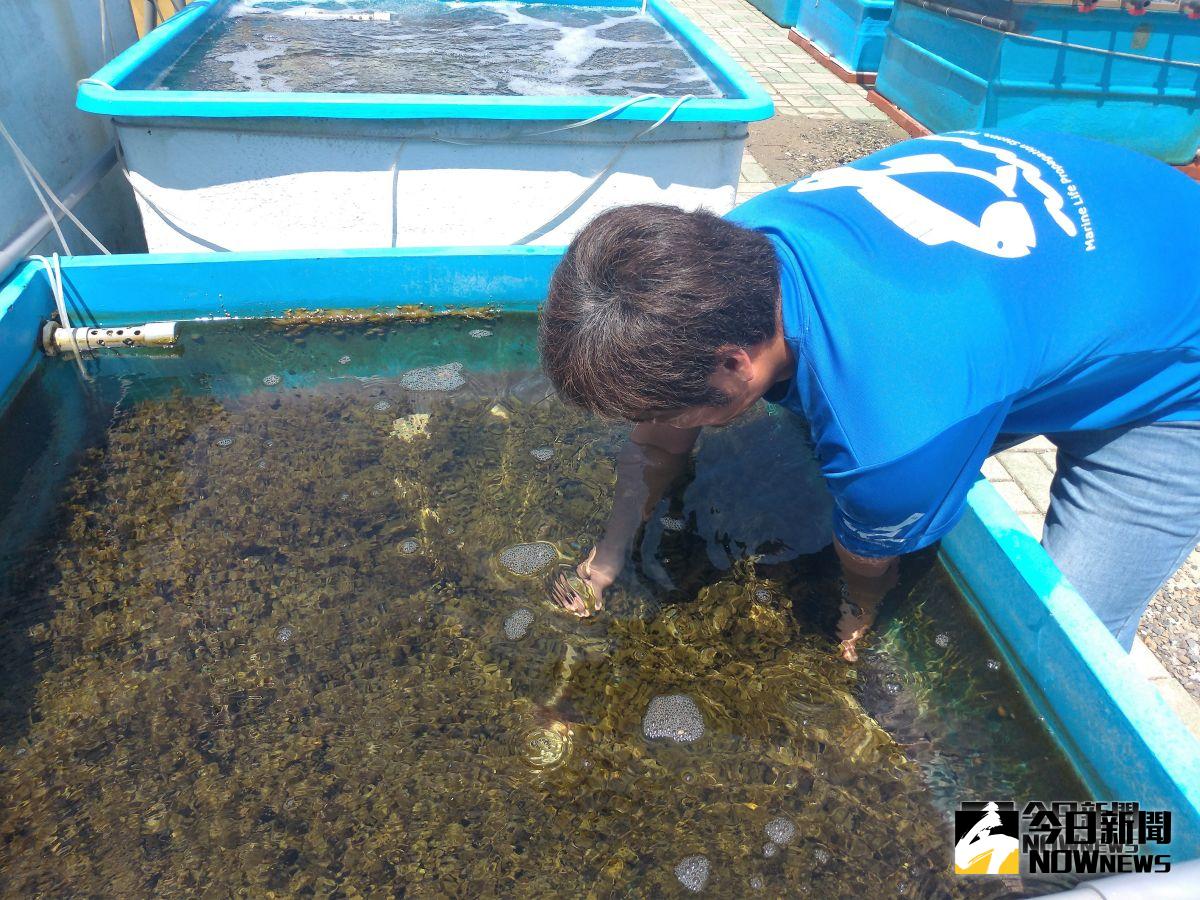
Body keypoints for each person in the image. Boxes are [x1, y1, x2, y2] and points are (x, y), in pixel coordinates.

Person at [540, 129, 1200, 661]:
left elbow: (867, 562)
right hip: (1102, 205)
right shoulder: (729, 251)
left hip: (1176, 356)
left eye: (663, 407)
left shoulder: (888, 439)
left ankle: (1066, 807)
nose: (652, 422)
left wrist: (854, 621)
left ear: (735, 363)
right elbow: (660, 438)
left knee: (1065, 646)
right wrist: (610, 553)